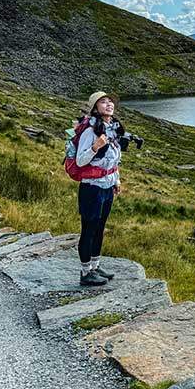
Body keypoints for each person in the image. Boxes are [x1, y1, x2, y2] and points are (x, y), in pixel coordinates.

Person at [75, 91, 123, 286]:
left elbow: (113, 159)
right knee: (89, 229)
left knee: (100, 227)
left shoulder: (113, 129)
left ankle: (95, 266)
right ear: (95, 108)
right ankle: (85, 272)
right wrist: (95, 147)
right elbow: (80, 161)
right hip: (92, 188)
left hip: (107, 186)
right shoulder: (89, 131)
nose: (109, 104)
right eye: (103, 102)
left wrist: (117, 180)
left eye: (110, 101)